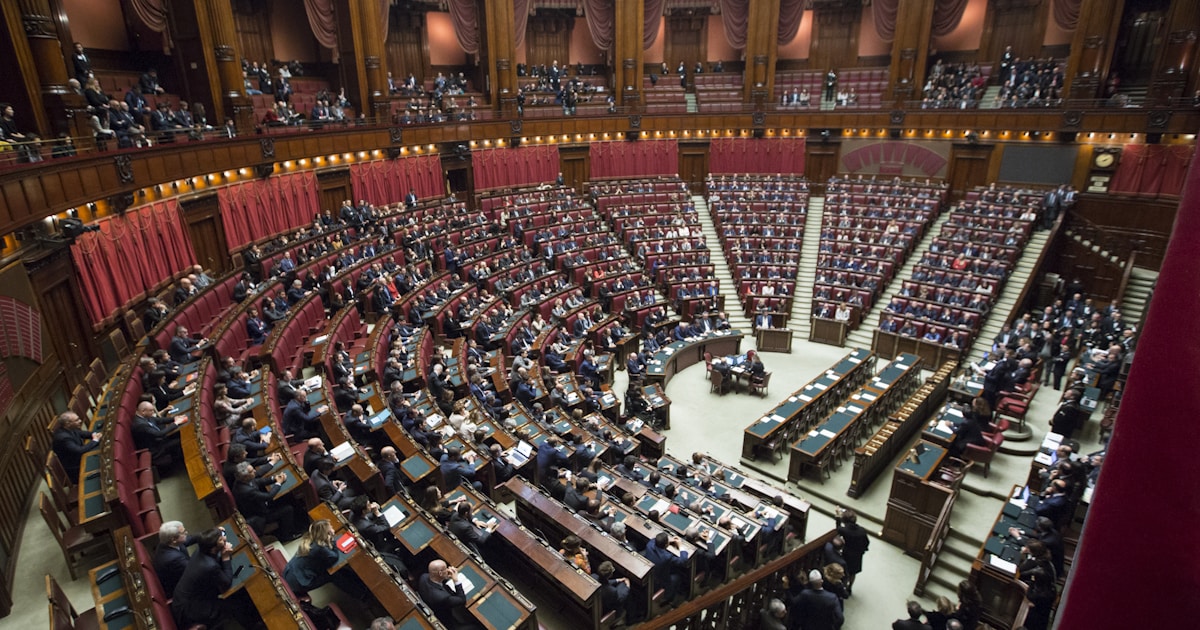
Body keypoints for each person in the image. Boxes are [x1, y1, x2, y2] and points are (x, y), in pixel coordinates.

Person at [284, 520, 366, 598]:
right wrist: (333, 540)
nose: (333, 529)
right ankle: (361, 594)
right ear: (327, 533)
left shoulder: (308, 538)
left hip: (289, 573)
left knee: (333, 568)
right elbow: (334, 557)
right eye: (331, 529)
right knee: (333, 575)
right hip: (299, 583)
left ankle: (357, 583)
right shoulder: (320, 548)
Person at [170, 528, 234, 628]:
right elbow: (226, 583)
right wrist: (226, 557)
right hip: (189, 610)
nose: (225, 539)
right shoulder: (210, 565)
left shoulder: (200, 550)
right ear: (213, 548)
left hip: (181, 600)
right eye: (221, 539)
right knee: (231, 602)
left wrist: (216, 532)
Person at [231, 461, 303, 542]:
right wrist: (279, 483)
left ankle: (299, 520)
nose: (255, 471)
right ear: (245, 477)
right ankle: (287, 535)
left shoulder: (241, 481)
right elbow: (268, 496)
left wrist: (275, 478)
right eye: (252, 471)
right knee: (288, 509)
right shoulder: (246, 490)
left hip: (260, 505)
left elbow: (258, 481)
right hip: (261, 514)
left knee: (287, 497)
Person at [417, 559, 476, 629]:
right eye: (446, 568)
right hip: (447, 623)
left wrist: (445, 576)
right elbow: (462, 600)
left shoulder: (423, 577)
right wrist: (456, 580)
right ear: (440, 573)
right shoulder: (442, 597)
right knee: (475, 627)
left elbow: (437, 578)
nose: (448, 569)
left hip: (435, 607)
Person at [152, 521, 198, 596]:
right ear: (174, 539)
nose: (186, 533)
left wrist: (211, 534)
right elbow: (195, 570)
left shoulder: (167, 543)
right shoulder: (173, 559)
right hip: (184, 593)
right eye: (183, 532)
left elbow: (190, 539)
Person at [51, 411, 101, 480]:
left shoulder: (69, 428)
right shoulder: (63, 438)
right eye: (76, 420)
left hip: (79, 459)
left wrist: (94, 434)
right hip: (75, 469)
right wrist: (95, 440)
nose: (80, 421)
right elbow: (79, 450)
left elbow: (82, 434)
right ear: (68, 424)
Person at [642, 532, 689, 604]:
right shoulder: (666, 557)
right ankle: (670, 599)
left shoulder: (650, 544)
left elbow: (654, 540)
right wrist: (680, 546)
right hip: (659, 580)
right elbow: (683, 561)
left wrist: (669, 541)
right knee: (677, 576)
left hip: (650, 572)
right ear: (666, 544)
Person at [834, 508, 869, 595]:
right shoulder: (862, 530)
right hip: (858, 555)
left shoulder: (845, 530)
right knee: (853, 572)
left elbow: (838, 528)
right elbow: (867, 542)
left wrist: (838, 518)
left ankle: (843, 589)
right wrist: (863, 551)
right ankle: (849, 588)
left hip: (847, 554)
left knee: (845, 572)